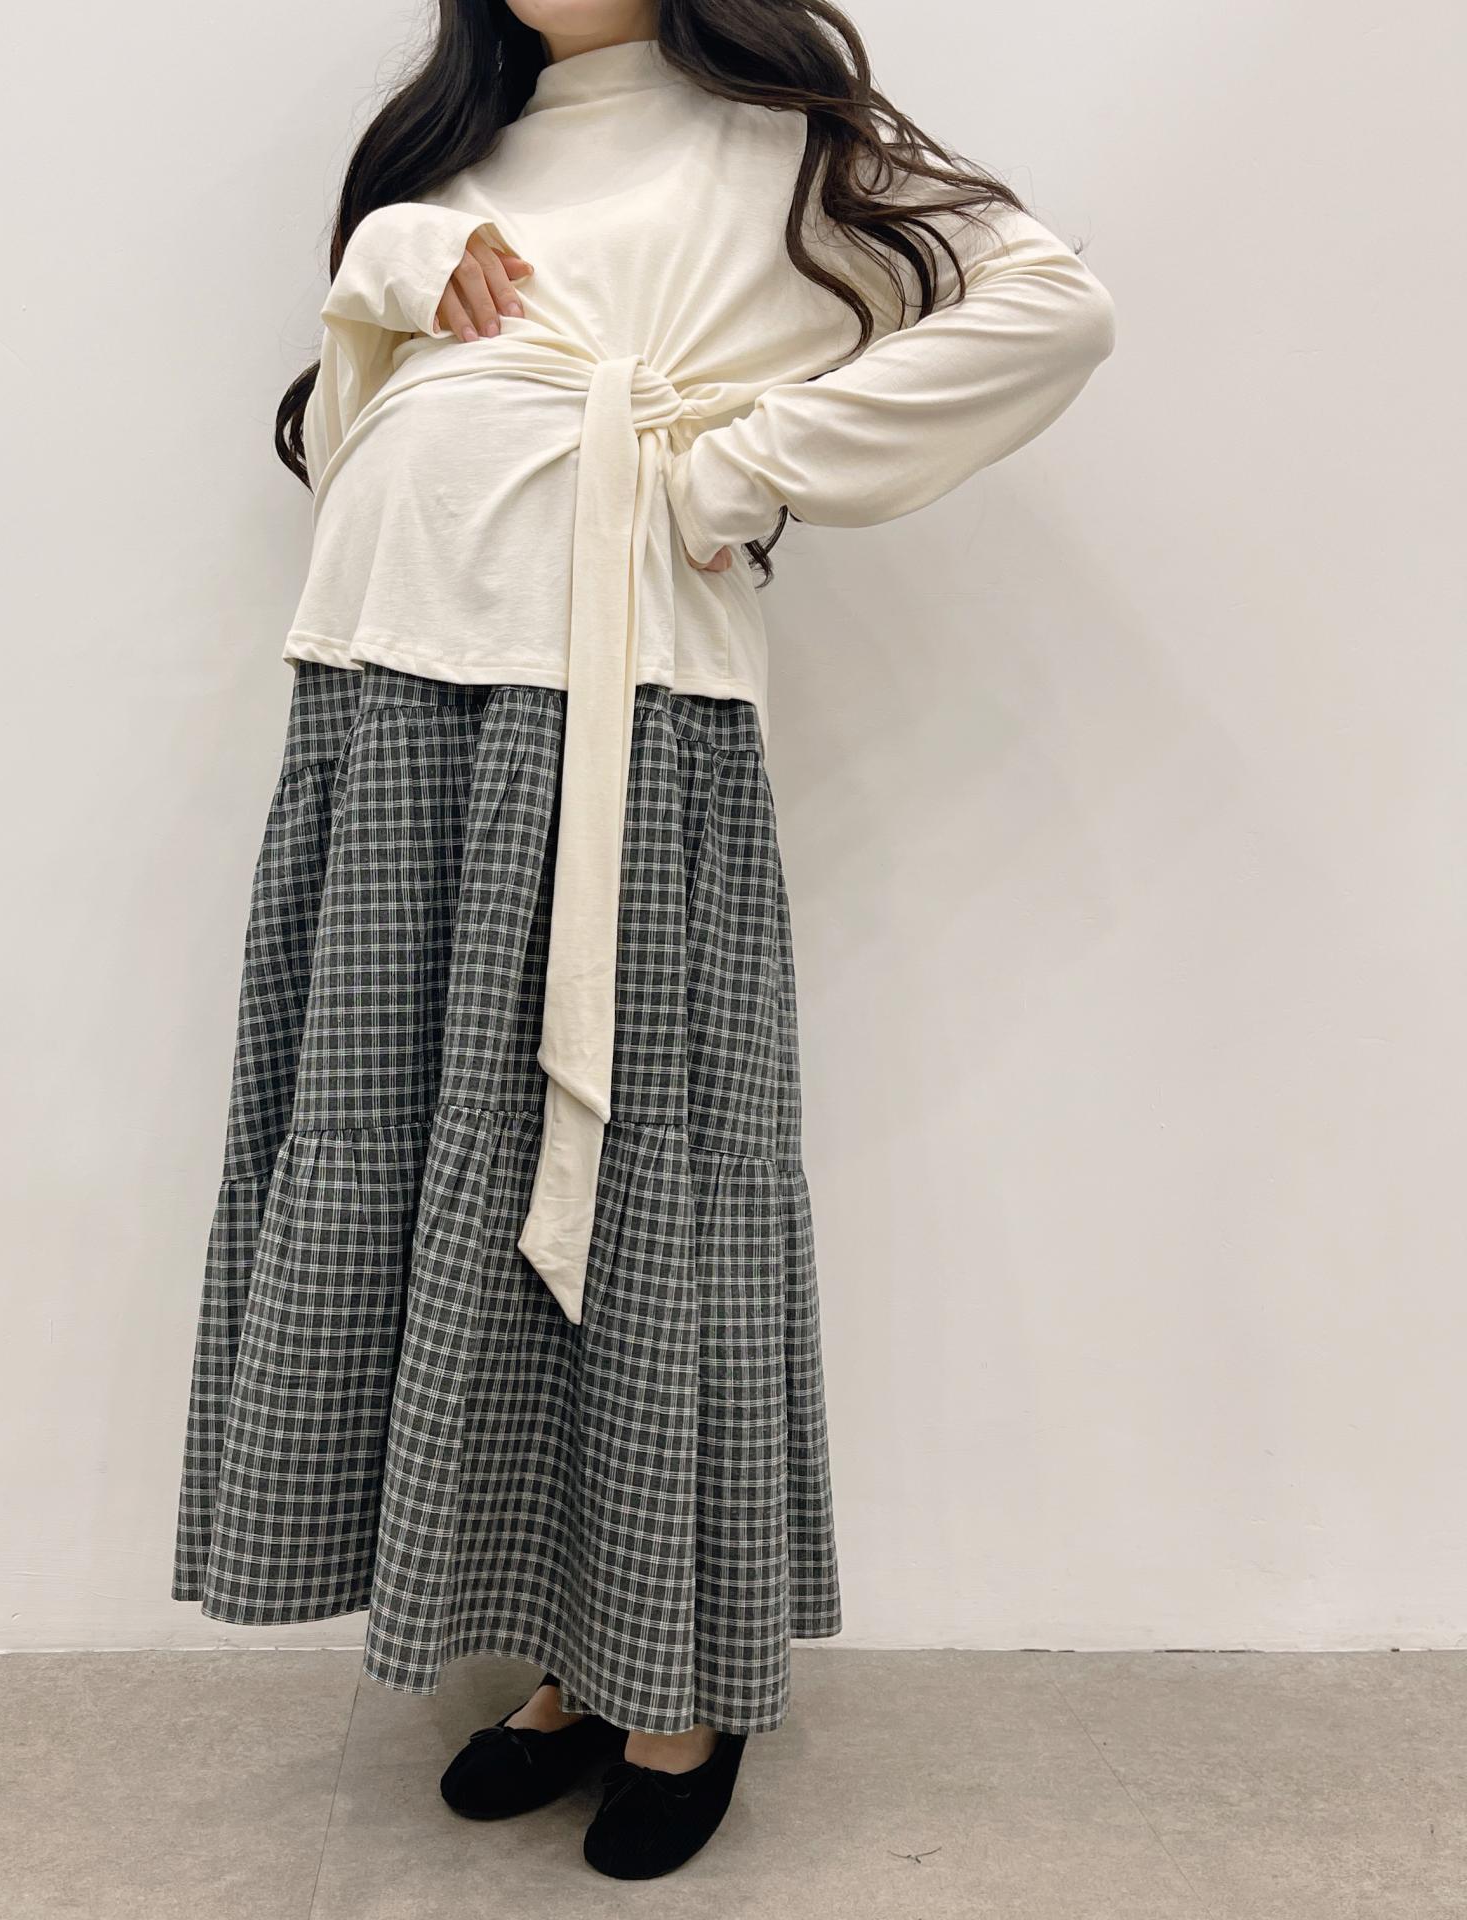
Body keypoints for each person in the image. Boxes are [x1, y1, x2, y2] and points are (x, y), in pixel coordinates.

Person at [174, 0, 1116, 1881]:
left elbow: (1051, 308)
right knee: (438, 1177)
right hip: (381, 705)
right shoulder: (452, 156)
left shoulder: (783, 135)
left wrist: (737, 468)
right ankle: (567, 1657)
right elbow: (354, 434)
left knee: (633, 1183)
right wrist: (387, 267)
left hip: (618, 716)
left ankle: (673, 1678)